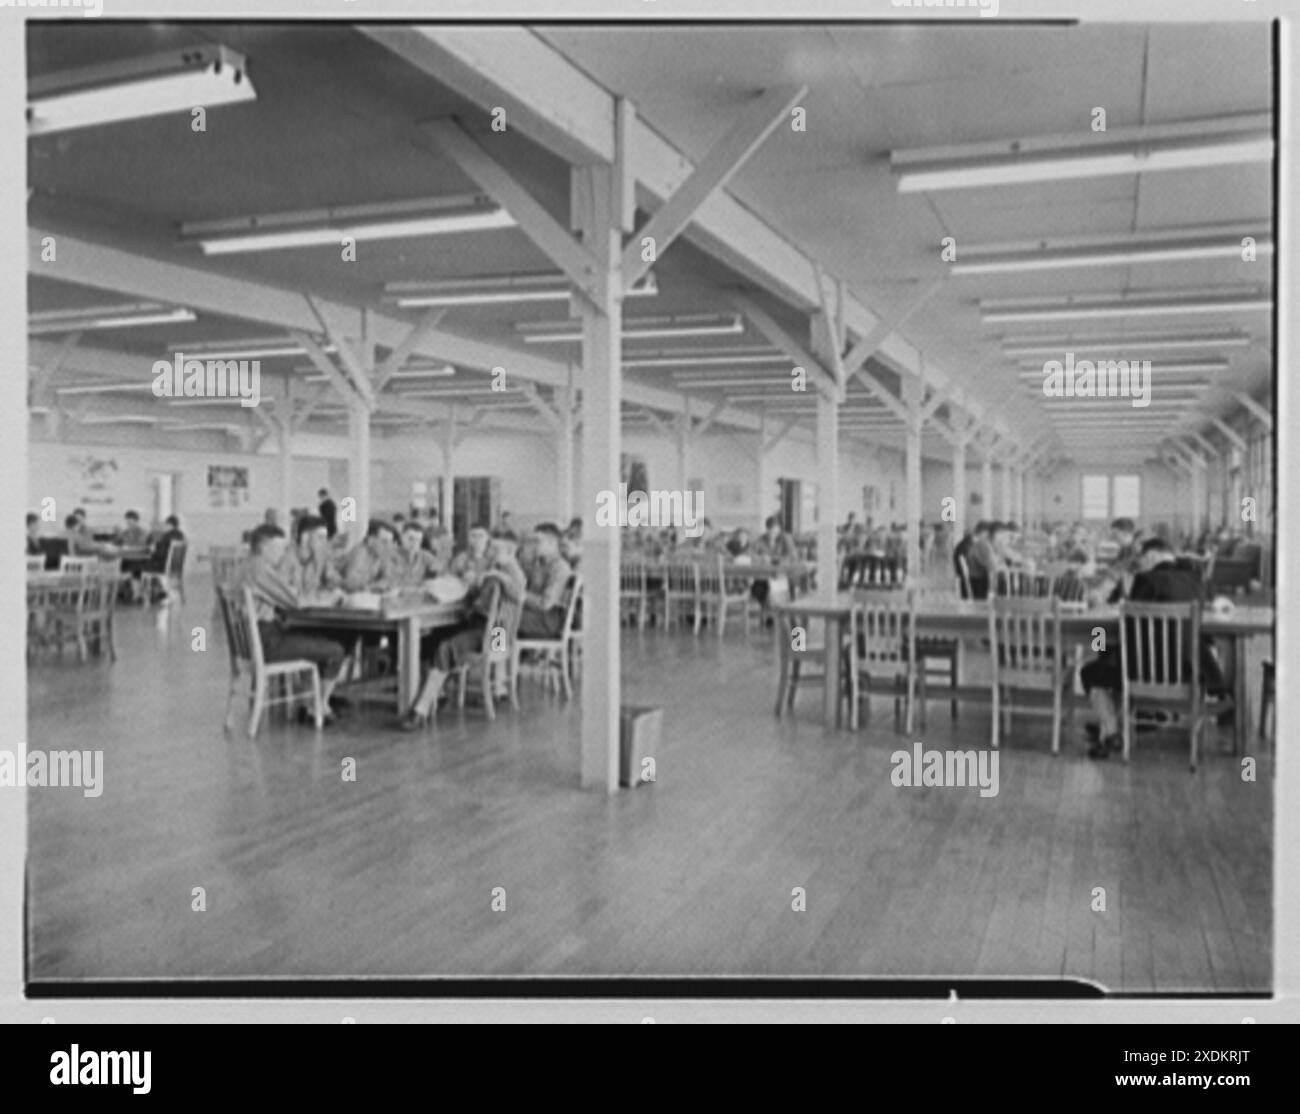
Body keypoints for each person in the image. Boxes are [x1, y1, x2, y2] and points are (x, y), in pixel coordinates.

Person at [1079, 537, 1223, 760]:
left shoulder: (1146, 580)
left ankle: (1111, 731)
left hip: (1143, 674)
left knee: (1092, 670)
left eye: (1144, 560)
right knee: (1108, 656)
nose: (1143, 566)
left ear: (1152, 556)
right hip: (1190, 671)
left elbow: (1131, 626)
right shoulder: (1199, 580)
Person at [398, 533, 528, 729]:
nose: (490, 552)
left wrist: (495, 576)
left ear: (509, 552)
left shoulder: (513, 572)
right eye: (490, 548)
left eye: (495, 550)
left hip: (497, 635)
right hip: (485, 626)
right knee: (430, 639)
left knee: (446, 648)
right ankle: (435, 693)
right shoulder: (495, 569)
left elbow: (519, 595)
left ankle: (420, 710)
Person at [240, 524, 349, 725]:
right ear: (265, 547)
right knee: (335, 650)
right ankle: (316, 706)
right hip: (268, 642)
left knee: (319, 640)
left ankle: (314, 702)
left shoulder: (247, 566)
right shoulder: (260, 569)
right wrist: (328, 599)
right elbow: (294, 601)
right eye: (279, 547)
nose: (283, 552)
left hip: (249, 643)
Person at [516, 522, 573, 639]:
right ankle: (500, 650)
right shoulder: (539, 563)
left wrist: (523, 596)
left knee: (502, 618)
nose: (534, 545)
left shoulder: (560, 568)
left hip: (549, 621)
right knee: (498, 613)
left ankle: (497, 651)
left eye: (538, 541)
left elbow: (545, 603)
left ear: (551, 543)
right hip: (536, 615)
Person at [287, 514, 343, 596]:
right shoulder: (288, 558)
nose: (324, 542)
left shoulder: (322, 555)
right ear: (305, 537)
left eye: (325, 537)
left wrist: (334, 582)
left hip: (314, 604)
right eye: (320, 537)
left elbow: (332, 577)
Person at [339, 519, 397, 591]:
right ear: (371, 540)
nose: (388, 546)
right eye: (384, 541)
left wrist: (380, 584)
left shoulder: (380, 553)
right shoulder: (360, 553)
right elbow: (351, 584)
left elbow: (389, 578)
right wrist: (375, 586)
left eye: (390, 542)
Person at [391, 519, 442, 587]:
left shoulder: (425, 556)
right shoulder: (391, 555)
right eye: (411, 539)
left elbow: (441, 572)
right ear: (402, 537)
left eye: (418, 540)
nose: (415, 543)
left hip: (419, 594)